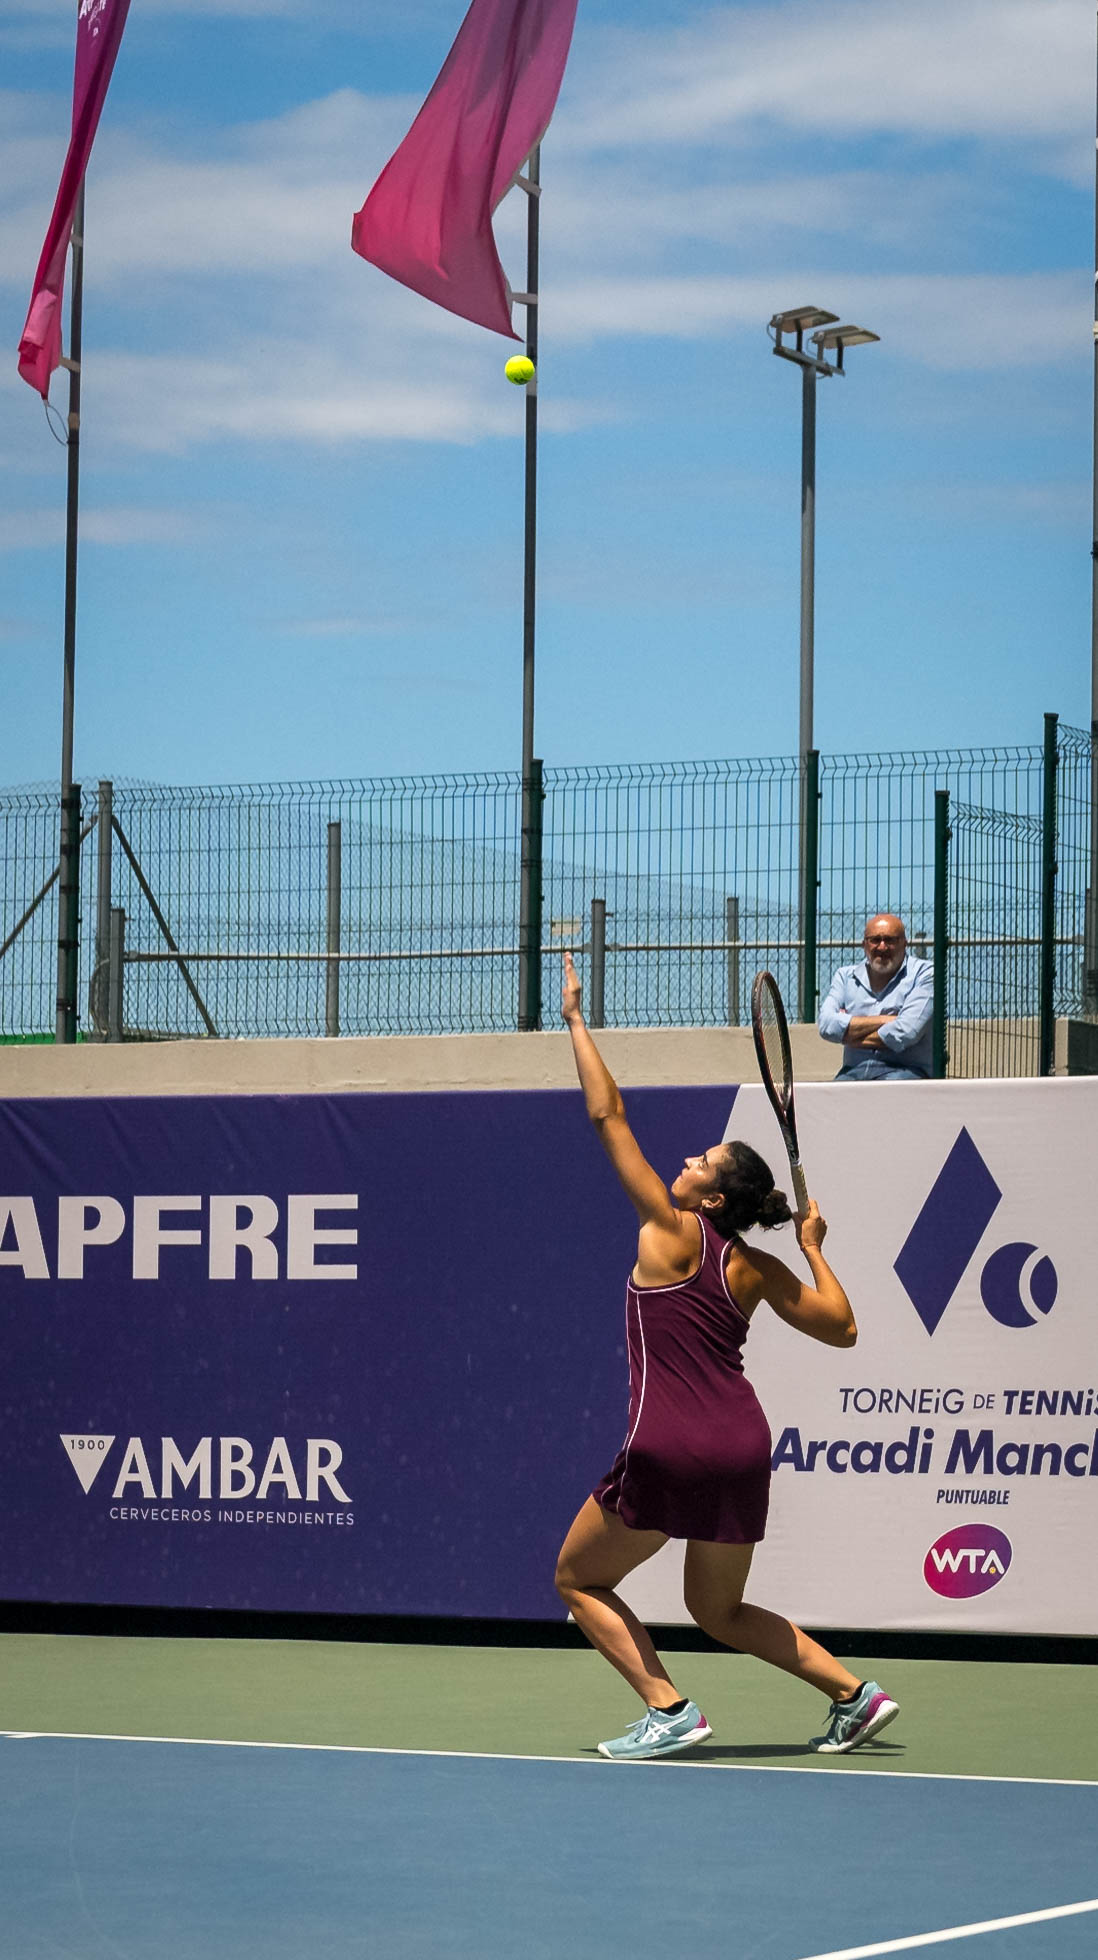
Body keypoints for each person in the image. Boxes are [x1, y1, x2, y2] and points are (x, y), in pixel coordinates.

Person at [554, 950, 899, 1762]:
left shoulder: (670, 1231)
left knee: (578, 1579)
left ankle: (669, 1709)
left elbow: (608, 1117)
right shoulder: (757, 1266)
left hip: (670, 1444)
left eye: (700, 1163)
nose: (684, 1160)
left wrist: (574, 1019)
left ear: (711, 1199)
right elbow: (843, 1328)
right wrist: (814, 1248)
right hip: (742, 1445)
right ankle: (854, 1696)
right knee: (719, 1610)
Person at [818, 914, 933, 1080]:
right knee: (831, 1093)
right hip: (853, 1072)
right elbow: (826, 1025)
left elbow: (906, 1032)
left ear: (904, 944)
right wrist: (888, 1020)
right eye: (875, 940)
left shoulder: (925, 973)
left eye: (890, 940)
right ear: (864, 944)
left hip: (904, 1071)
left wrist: (848, 1034)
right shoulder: (845, 977)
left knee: (891, 1090)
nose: (882, 947)